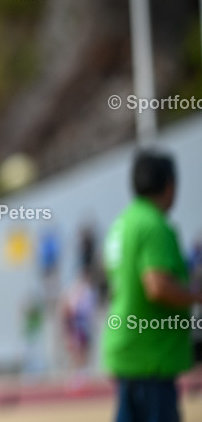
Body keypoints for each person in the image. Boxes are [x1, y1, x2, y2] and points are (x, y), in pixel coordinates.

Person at [102, 149, 202, 422]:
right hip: (151, 353)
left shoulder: (122, 223)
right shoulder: (154, 225)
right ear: (170, 185)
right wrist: (196, 295)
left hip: (128, 346)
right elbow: (157, 286)